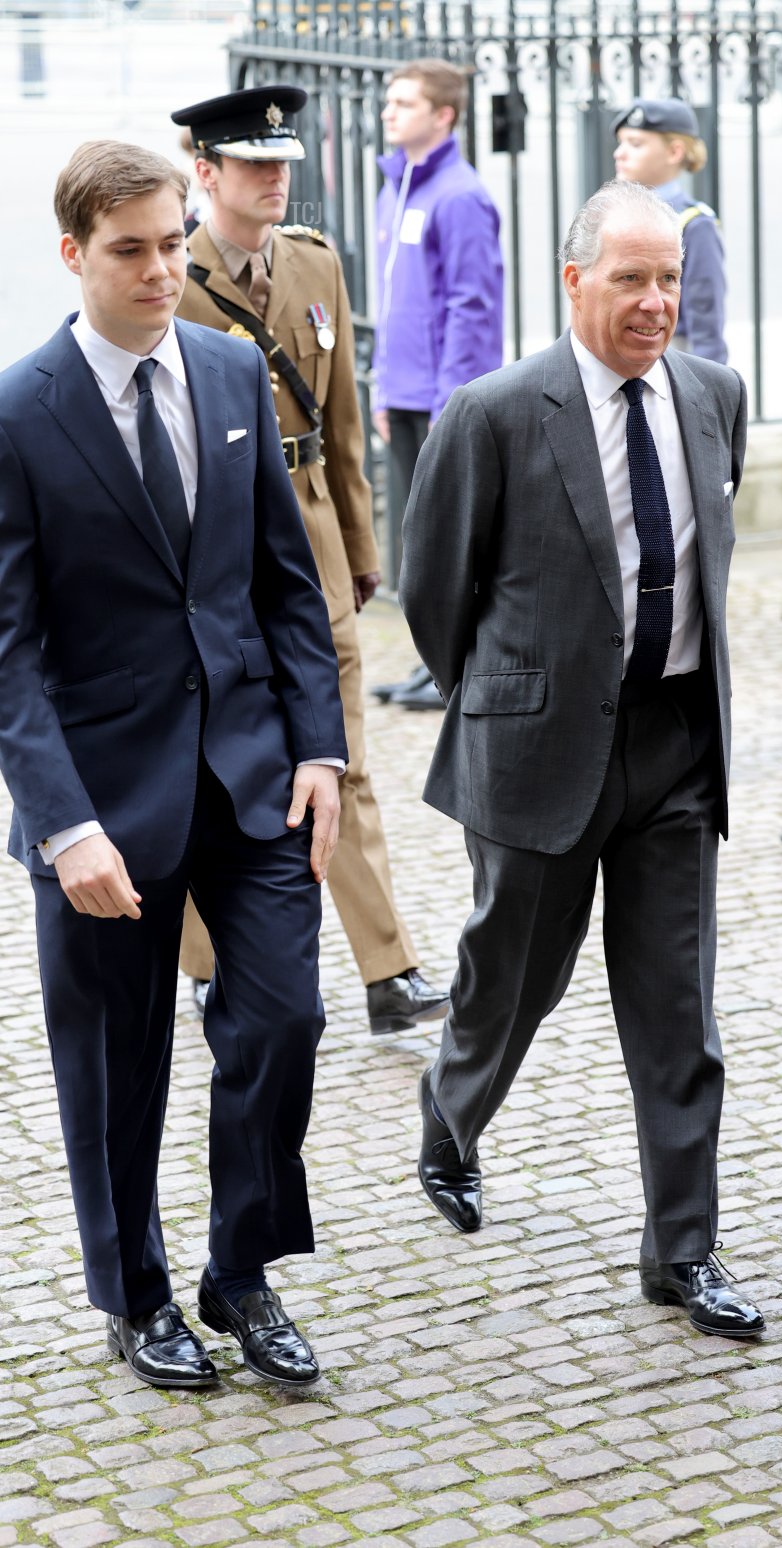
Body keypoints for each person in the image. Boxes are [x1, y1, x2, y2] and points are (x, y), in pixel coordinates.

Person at [0, 140, 348, 1388]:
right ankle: (135, 1295)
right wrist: (61, 826)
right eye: (130, 250)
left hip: (251, 774)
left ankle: (238, 1274)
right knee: (115, 1064)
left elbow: (284, 585)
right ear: (73, 256)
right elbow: (10, 651)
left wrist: (320, 747)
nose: (160, 269)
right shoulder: (16, 411)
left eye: (170, 242)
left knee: (288, 1019)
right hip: (97, 805)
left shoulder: (230, 366)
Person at [399, 180, 764, 1341]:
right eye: (631, 280)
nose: (658, 302)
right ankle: (451, 1117)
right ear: (574, 281)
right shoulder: (497, 411)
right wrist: (505, 697)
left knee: (678, 1014)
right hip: (537, 749)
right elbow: (431, 591)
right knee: (510, 979)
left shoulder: (717, 395)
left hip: (673, 749)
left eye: (670, 279)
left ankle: (683, 1251)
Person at [170, 85, 450, 1035]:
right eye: (254, 164)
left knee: (345, 759)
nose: (275, 179)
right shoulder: (175, 275)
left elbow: (340, 428)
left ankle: (387, 969)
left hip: (315, 539)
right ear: (205, 173)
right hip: (214, 550)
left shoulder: (317, 265)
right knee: (214, 759)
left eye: (283, 163)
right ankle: (209, 965)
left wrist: (364, 552)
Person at [371, 57, 504, 712]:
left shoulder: (461, 195)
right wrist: (380, 389)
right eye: (388, 101)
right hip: (401, 392)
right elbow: (391, 300)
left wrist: (454, 398)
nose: (388, 111)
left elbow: (472, 306)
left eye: (404, 102)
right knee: (415, 541)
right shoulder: (393, 188)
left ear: (443, 115)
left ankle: (450, 667)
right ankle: (427, 663)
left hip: (441, 398)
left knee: (449, 540)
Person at [611, 97, 727, 363]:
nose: (620, 153)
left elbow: (706, 322)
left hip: (669, 359)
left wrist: (706, 392)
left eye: (635, 143)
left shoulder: (694, 223)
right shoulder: (613, 214)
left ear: (674, 152)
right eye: (621, 142)